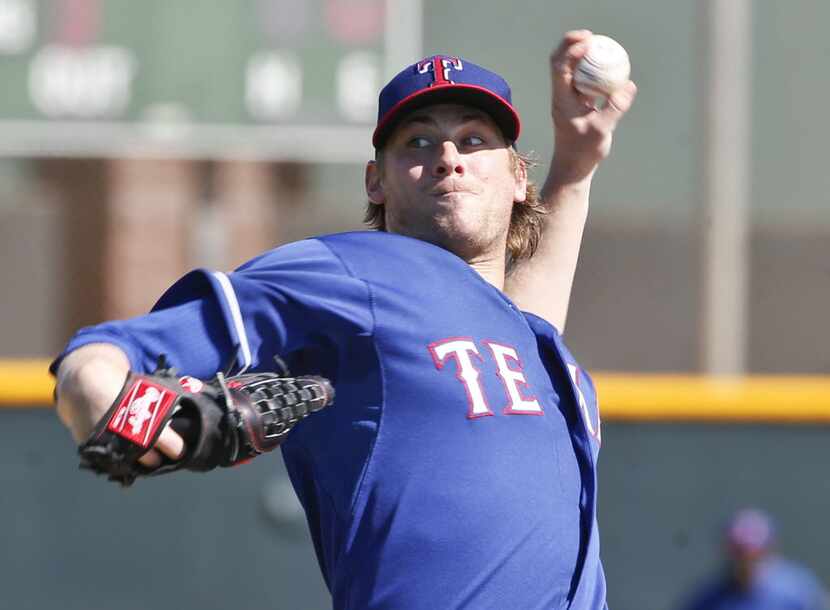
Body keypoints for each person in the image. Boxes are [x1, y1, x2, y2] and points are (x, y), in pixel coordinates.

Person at [53, 31, 636, 609]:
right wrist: (131, 414)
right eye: (418, 142)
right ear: (375, 182)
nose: (448, 159)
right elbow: (99, 360)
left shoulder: (535, 347)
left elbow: (525, 315)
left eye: (474, 139)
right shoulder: (353, 272)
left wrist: (577, 167)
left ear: (517, 179)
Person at [680, 508, 828, 610]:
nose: (746, 559)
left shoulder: (797, 591)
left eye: (753, 551)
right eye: (739, 551)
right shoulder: (709, 598)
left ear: (769, 549)